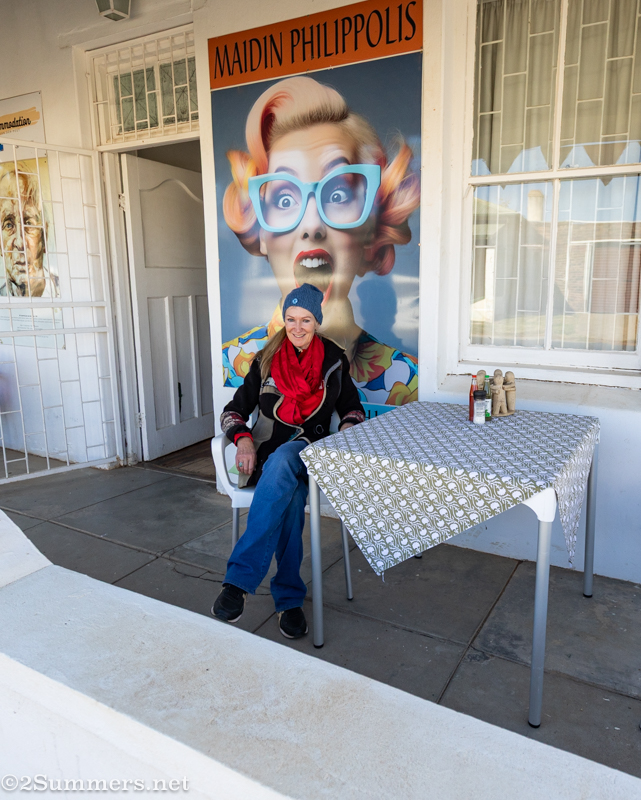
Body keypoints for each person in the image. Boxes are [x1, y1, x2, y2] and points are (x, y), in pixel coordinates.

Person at [221, 75, 420, 407]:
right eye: (285, 200)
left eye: (338, 193)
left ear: (369, 229)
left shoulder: (407, 380)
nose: (312, 224)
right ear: (263, 234)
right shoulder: (231, 365)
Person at [212, 283, 365, 638]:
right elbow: (233, 411)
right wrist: (245, 441)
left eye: (306, 320)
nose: (297, 327)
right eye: (291, 318)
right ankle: (289, 598)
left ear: (317, 321)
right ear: (285, 319)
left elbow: (352, 408)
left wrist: (346, 427)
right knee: (290, 496)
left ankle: (237, 583)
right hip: (269, 462)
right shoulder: (265, 359)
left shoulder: (333, 359)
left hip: (312, 452)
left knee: (286, 458)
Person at [0, 163, 58, 298]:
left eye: (28, 223)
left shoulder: (68, 292)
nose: (20, 243)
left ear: (44, 235)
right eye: (8, 225)